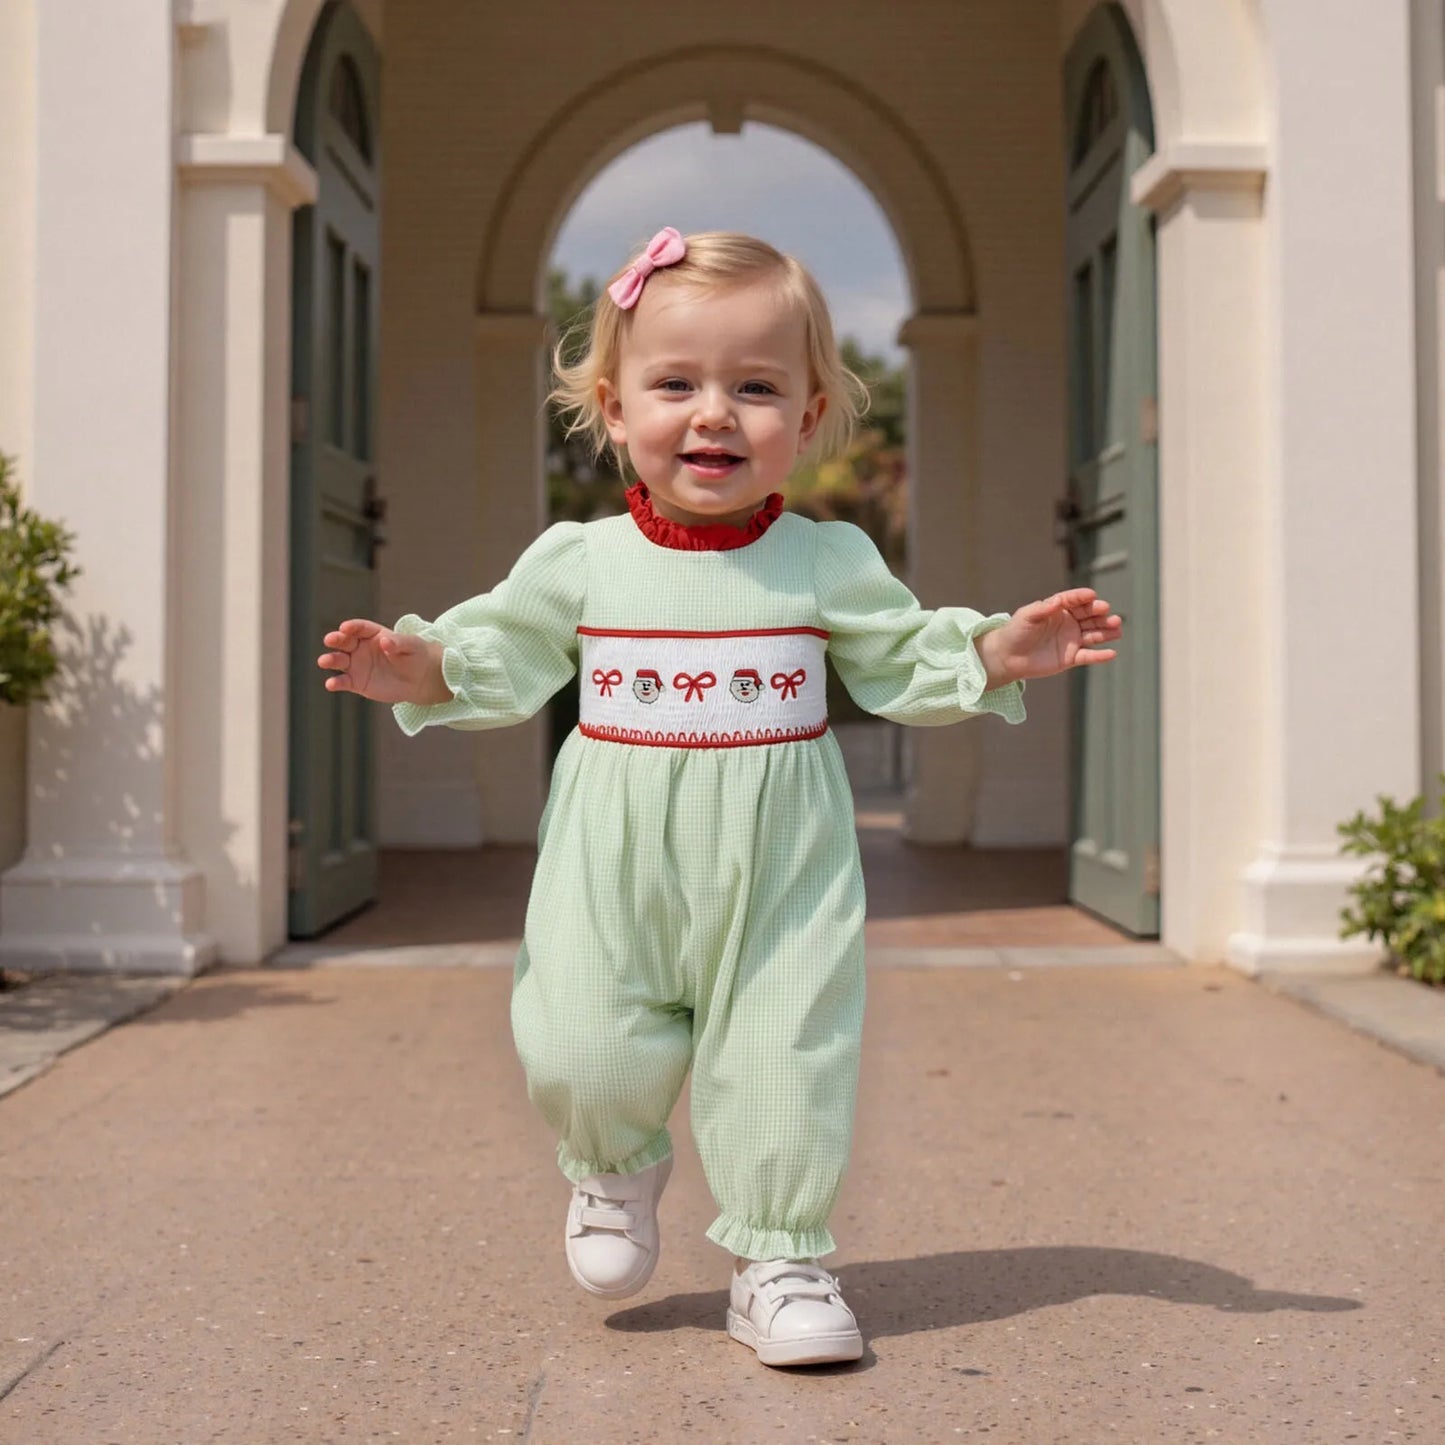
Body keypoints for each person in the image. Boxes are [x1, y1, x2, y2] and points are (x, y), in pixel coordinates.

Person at [317, 227, 1122, 1368]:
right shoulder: (579, 557)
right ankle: (615, 1163)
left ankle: (778, 1260)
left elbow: (898, 657)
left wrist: (996, 651)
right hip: (612, 859)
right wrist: (424, 666)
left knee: (785, 1054)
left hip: (781, 863)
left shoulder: (824, 558)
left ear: (803, 419)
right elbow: (502, 648)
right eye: (675, 383)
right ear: (611, 408)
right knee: (577, 1044)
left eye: (754, 387)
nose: (713, 413)